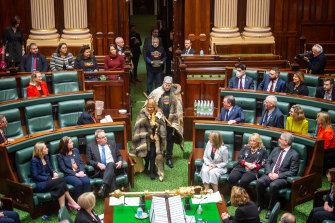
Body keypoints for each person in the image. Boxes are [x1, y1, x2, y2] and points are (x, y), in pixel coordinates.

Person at [256, 132, 299, 219]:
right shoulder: (276, 149)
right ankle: (260, 205)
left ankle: (270, 209)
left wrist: (278, 175)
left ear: (286, 142)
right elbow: (268, 161)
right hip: (270, 173)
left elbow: (293, 172)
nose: (278, 140)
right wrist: (269, 173)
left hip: (282, 178)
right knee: (260, 182)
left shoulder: (294, 154)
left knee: (273, 185)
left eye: (280, 139)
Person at [30, 142, 80, 210]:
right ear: (40, 151)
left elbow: (51, 168)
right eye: (45, 148)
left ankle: (62, 208)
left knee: (60, 185)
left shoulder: (46, 157)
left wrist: (54, 172)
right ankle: (70, 201)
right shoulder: (34, 160)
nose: (47, 149)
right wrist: (50, 178)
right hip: (40, 184)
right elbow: (35, 176)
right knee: (61, 180)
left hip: (49, 181)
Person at [149, 76, 184, 168]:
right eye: (166, 84)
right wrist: (157, 114)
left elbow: (179, 108)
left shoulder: (175, 93)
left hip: (170, 121)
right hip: (159, 120)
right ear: (163, 82)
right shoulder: (157, 92)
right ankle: (160, 156)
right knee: (159, 138)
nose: (167, 86)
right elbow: (150, 105)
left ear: (171, 84)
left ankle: (169, 158)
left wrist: (174, 120)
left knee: (170, 139)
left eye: (169, 85)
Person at [130, 99, 166, 181]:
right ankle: (146, 165)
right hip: (144, 139)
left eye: (152, 107)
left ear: (154, 107)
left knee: (153, 156)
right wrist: (148, 128)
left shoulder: (158, 114)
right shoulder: (142, 113)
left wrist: (155, 125)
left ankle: (152, 172)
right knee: (146, 155)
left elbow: (162, 126)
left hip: (154, 140)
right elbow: (138, 126)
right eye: (148, 107)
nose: (150, 109)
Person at [86, 129, 123, 197]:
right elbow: (88, 160)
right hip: (101, 171)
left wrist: (120, 161)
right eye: (103, 137)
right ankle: (112, 197)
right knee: (111, 175)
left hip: (115, 167)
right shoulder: (90, 146)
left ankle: (103, 186)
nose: (105, 138)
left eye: (105, 136)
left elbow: (119, 156)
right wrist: (98, 164)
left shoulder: (112, 143)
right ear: (97, 139)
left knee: (111, 164)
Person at [57, 136, 91, 201]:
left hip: (79, 172)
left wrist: (82, 171)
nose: (72, 143)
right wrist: (75, 174)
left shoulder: (75, 150)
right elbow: (63, 169)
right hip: (69, 174)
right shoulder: (60, 155)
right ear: (65, 145)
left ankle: (88, 201)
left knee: (86, 181)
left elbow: (81, 162)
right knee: (78, 183)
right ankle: (79, 202)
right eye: (70, 142)